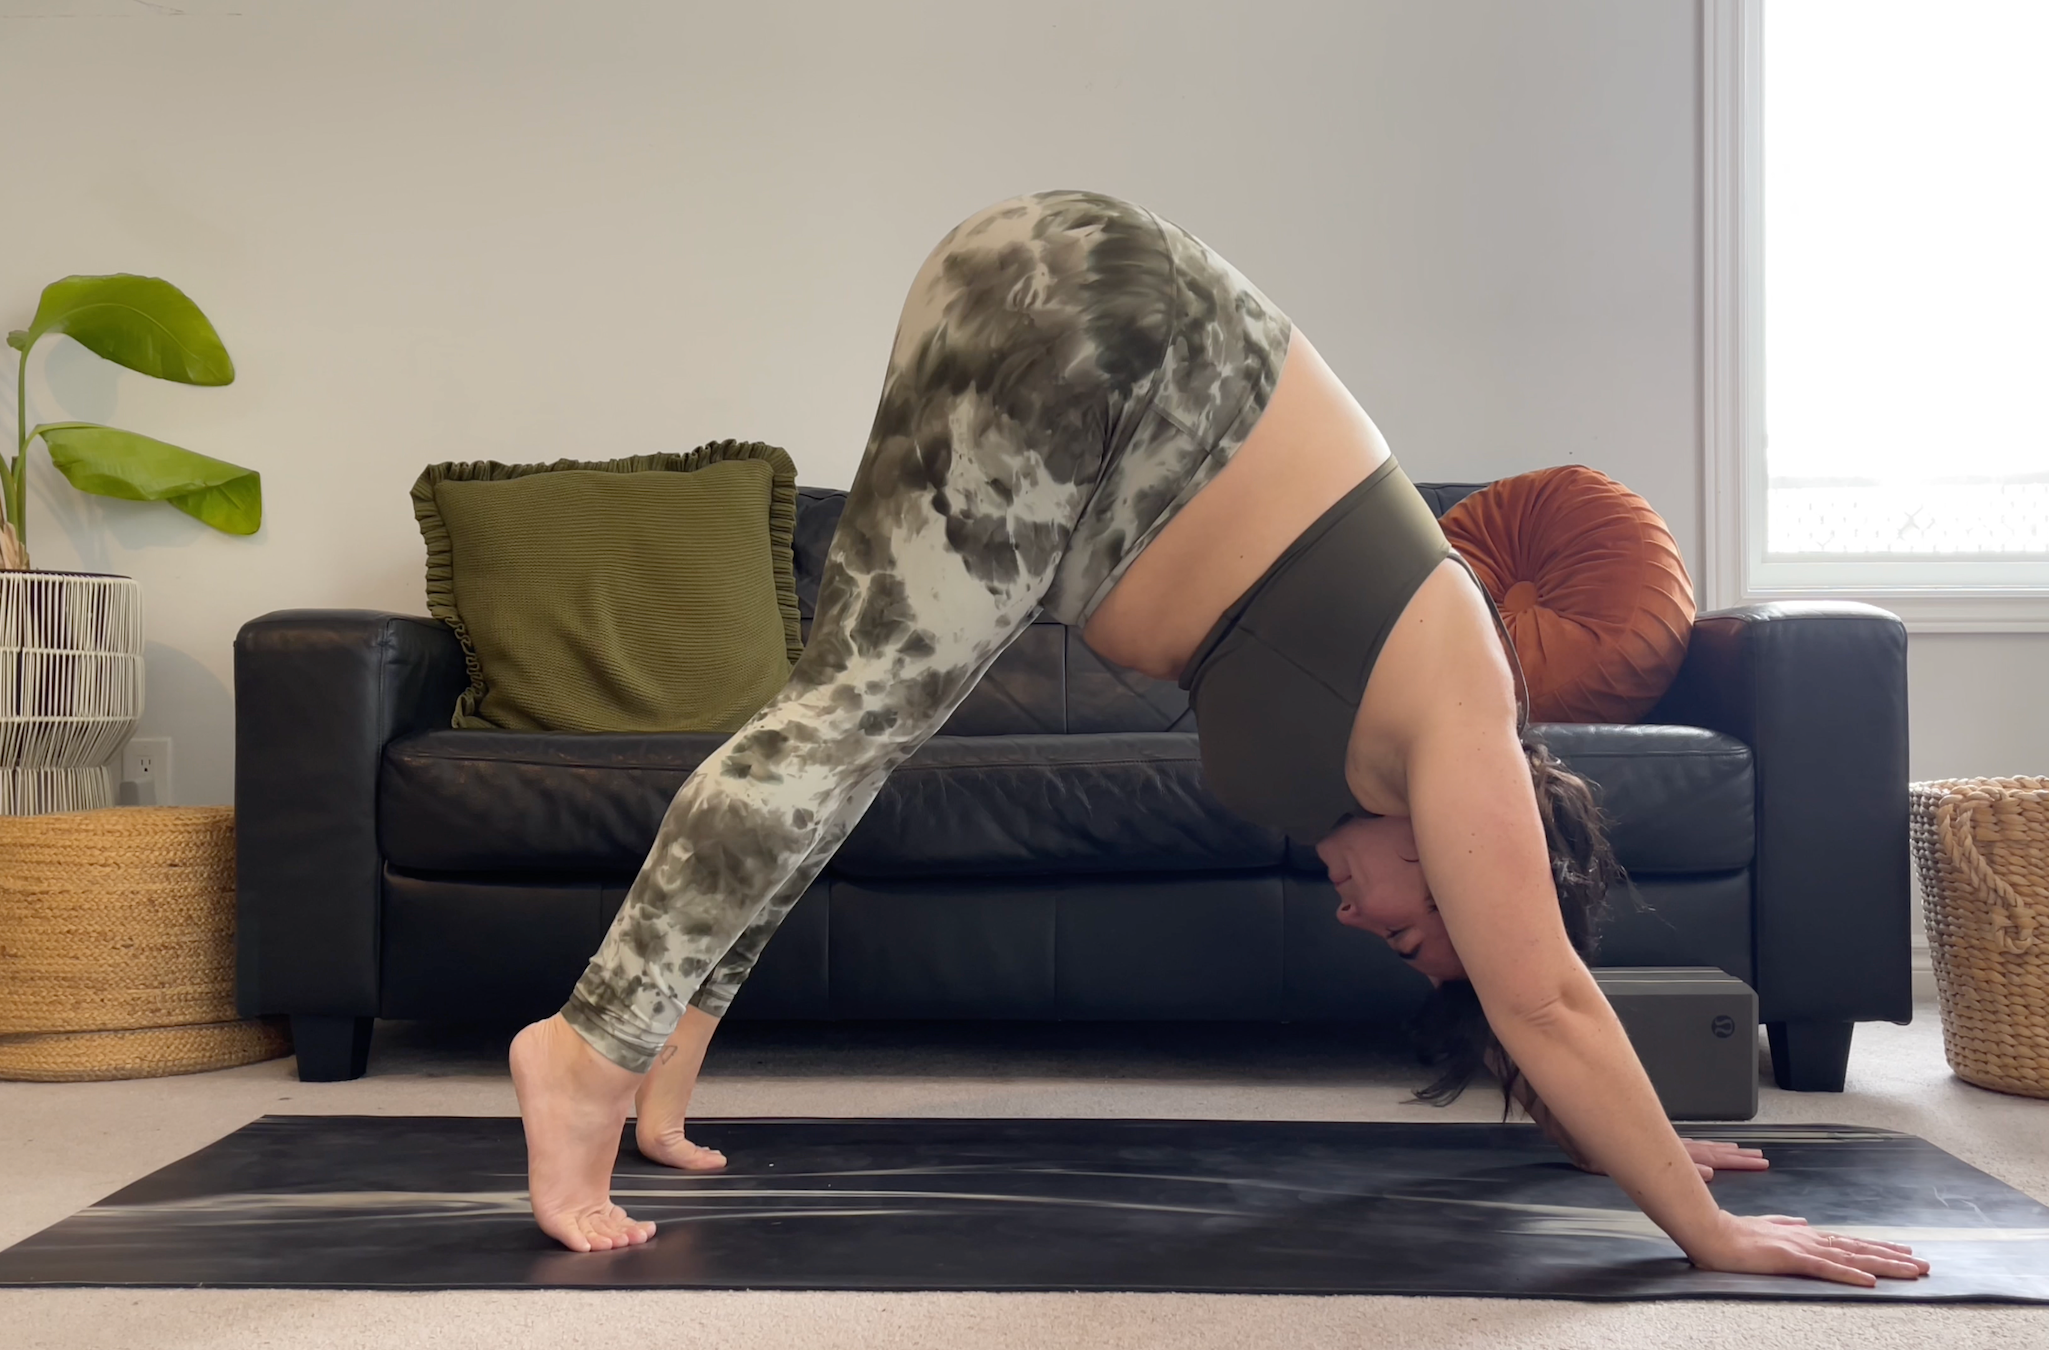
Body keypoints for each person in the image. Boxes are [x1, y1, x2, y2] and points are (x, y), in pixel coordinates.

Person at [508, 190, 1930, 1288]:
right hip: (1120, 344)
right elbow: (1544, 999)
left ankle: (673, 1041)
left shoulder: (1380, 751)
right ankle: (582, 1052)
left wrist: (1615, 1133)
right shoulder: (1464, 719)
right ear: (1476, 854)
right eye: (1423, 933)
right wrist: (1706, 1229)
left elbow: (1526, 1021)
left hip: (1056, 301)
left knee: (842, 718)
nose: (1373, 925)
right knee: (849, 718)